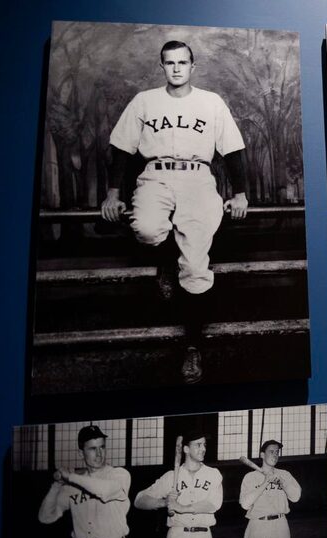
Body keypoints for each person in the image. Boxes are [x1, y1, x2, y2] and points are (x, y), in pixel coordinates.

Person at [102, 40, 249, 384]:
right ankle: (169, 261)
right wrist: (112, 193)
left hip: (198, 179)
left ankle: (193, 347)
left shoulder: (211, 102)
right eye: (170, 63)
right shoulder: (145, 101)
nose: (177, 68)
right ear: (162, 67)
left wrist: (240, 194)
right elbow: (121, 148)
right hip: (155, 174)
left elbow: (233, 150)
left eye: (183, 62)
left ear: (193, 66)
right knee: (148, 229)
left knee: (196, 268)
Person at [38, 425, 131, 538]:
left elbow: (103, 491)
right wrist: (57, 485)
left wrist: (70, 476)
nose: (99, 453)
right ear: (81, 453)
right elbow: (45, 517)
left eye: (102, 447)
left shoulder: (119, 475)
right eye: (93, 448)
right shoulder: (73, 485)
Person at [135, 430, 223, 538]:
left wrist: (182, 507)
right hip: (177, 537)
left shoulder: (213, 474)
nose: (203, 448)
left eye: (204, 445)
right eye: (198, 445)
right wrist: (164, 502)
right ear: (186, 449)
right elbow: (139, 500)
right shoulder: (171, 476)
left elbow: (213, 504)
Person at [239, 440, 302, 538]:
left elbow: (296, 497)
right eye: (271, 451)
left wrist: (283, 483)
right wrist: (265, 482)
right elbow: (245, 504)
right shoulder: (250, 477)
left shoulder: (284, 474)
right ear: (262, 455)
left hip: (280, 523)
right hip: (257, 524)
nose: (275, 455)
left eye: (277, 452)